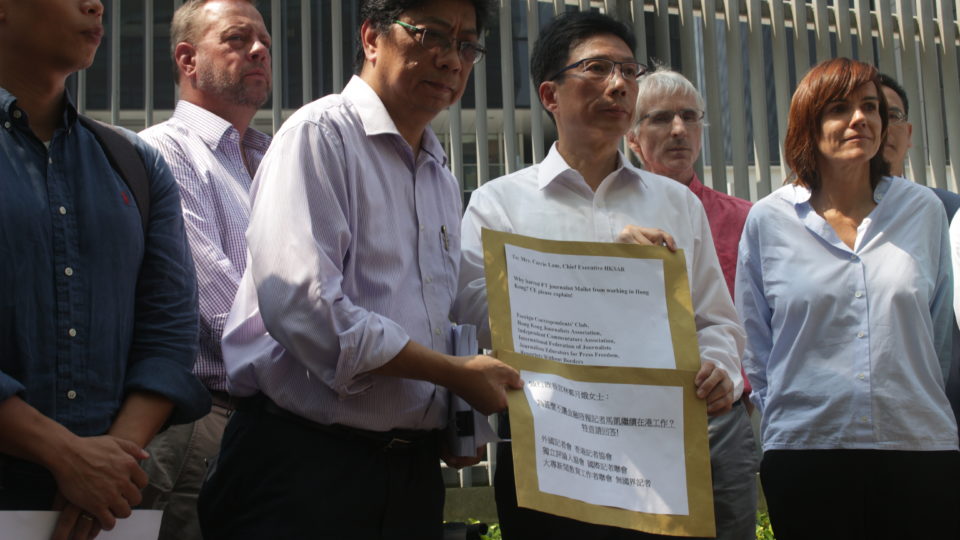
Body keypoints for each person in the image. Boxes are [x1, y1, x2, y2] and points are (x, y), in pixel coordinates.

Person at [197, 1, 521, 539]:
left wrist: (453, 413)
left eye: (467, 46)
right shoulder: (319, 135)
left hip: (410, 470)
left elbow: (442, 323)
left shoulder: (440, 172)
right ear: (372, 37)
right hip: (304, 463)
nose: (451, 60)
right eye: (432, 35)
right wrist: (449, 374)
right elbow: (305, 307)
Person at [455, 11, 747, 539]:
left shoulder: (676, 204)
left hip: (659, 464)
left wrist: (718, 367)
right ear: (550, 95)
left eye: (628, 71)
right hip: (549, 459)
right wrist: (609, 261)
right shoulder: (498, 205)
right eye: (597, 69)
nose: (618, 85)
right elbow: (478, 321)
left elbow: (718, 322)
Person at [0, 1, 209, 540]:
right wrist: (68, 456)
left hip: (111, 502)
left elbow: (170, 331)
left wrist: (111, 463)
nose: (96, 5)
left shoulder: (136, 162)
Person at [736, 57, 960, 539]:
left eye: (871, 107)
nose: (861, 119)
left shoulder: (923, 210)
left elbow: (939, 334)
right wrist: (788, 424)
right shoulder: (768, 220)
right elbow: (756, 346)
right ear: (807, 123)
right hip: (805, 451)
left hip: (919, 447)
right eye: (839, 108)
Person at [136, 1, 271, 538]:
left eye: (264, 40)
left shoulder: (271, 159)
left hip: (273, 424)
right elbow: (220, 307)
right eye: (238, 38)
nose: (260, 49)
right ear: (188, 59)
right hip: (203, 419)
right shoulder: (163, 151)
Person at [625, 65, 757, 540]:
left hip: (722, 416)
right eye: (660, 118)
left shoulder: (748, 219)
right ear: (633, 138)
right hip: (631, 419)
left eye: (689, 117)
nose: (678, 129)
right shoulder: (615, 221)